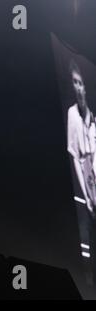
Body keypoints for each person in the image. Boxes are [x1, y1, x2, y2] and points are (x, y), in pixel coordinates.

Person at [67, 60, 96, 285]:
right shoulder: (72, 115)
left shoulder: (92, 118)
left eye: (80, 82)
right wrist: (86, 194)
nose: (78, 86)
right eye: (74, 82)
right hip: (84, 177)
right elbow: (75, 157)